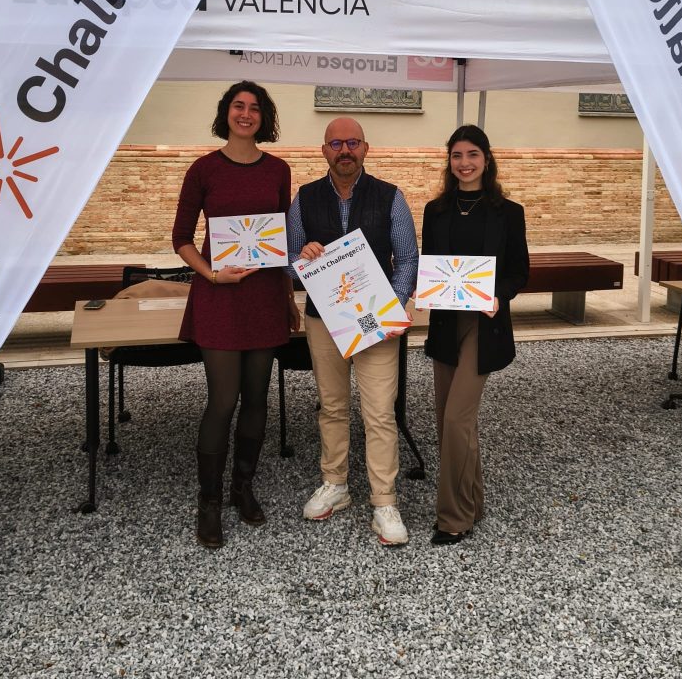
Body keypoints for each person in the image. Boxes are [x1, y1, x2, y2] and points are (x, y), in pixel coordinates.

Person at [172, 80, 300, 549]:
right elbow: (181, 238)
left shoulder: (278, 170)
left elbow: (282, 240)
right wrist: (210, 275)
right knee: (222, 401)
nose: (245, 114)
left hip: (265, 296)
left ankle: (242, 488)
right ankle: (208, 501)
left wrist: (288, 298)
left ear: (264, 118)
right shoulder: (203, 169)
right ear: (226, 112)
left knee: (257, 400)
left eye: (254, 108)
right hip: (219, 297)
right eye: (237, 106)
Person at [287, 117, 419, 546]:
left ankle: (384, 501)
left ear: (366, 148)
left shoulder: (391, 197)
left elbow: (408, 260)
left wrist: (391, 310)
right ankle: (336, 484)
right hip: (324, 323)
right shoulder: (303, 199)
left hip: (374, 324)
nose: (345, 150)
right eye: (336, 143)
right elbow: (289, 259)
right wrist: (301, 256)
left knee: (380, 413)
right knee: (332, 406)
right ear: (324, 150)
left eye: (353, 143)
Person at [421, 124, 528, 545]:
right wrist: (424, 288)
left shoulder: (508, 212)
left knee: (456, 418)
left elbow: (520, 271)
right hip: (446, 323)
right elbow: (432, 263)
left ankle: (453, 518)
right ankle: (474, 500)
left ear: (487, 159)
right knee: (449, 423)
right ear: (449, 161)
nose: (464, 163)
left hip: (484, 325)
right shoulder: (436, 210)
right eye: (456, 156)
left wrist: (500, 296)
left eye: (472, 155)